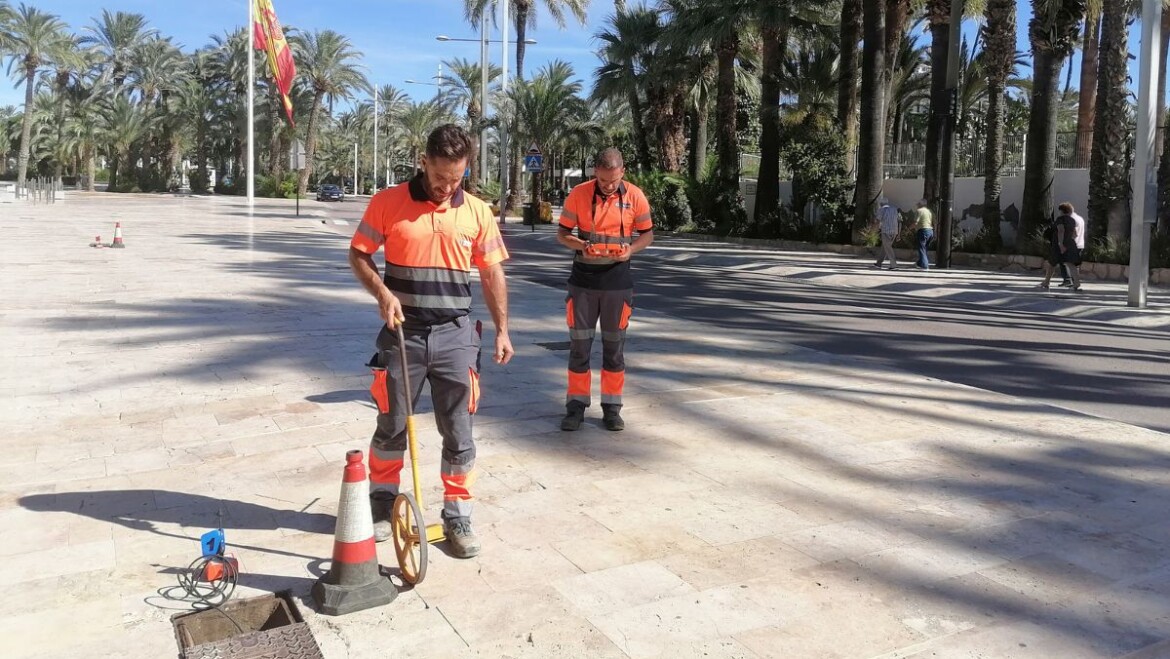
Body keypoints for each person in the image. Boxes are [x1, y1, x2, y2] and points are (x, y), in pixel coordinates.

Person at [348, 124, 514, 559]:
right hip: (402, 335)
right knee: (392, 424)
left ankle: (458, 515)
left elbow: (492, 271)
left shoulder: (477, 211)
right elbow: (359, 253)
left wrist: (502, 329)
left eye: (456, 178)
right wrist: (382, 293)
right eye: (440, 177)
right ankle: (382, 505)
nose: (446, 187)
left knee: (459, 430)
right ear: (423, 162)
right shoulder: (388, 202)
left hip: (456, 335)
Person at [556, 148, 654, 432]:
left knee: (614, 349)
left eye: (613, 181)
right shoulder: (579, 194)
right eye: (603, 180)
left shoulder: (635, 195)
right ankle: (575, 408)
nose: (608, 186)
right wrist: (581, 245)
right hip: (583, 283)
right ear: (595, 173)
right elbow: (562, 234)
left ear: (622, 171)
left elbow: (647, 233)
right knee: (579, 348)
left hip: (617, 284)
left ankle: (612, 409)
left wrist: (630, 250)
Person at [1039, 206, 1082, 292]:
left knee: (1052, 263)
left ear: (1062, 211)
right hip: (1070, 244)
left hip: (1059, 245)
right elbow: (1075, 234)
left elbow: (1061, 230)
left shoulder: (1060, 219)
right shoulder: (1072, 220)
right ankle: (1076, 283)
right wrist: (1069, 239)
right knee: (1071, 264)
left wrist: (1061, 243)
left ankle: (1046, 282)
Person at [1058, 202, 1085, 287]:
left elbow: (1074, 233)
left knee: (1066, 262)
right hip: (1080, 243)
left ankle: (1069, 280)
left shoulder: (1070, 219)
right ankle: (1074, 281)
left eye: (1060, 211)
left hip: (1072, 244)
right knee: (1073, 264)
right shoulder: (1079, 218)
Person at [873, 198, 900, 270]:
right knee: (885, 247)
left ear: (881, 204)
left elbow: (878, 220)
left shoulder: (881, 209)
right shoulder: (894, 209)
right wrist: (898, 233)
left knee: (888, 248)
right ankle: (879, 263)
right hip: (894, 231)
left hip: (886, 231)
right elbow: (898, 220)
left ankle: (893, 265)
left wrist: (875, 230)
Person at [914, 199, 934, 270]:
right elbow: (933, 221)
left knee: (921, 249)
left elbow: (916, 222)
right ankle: (920, 263)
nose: (917, 205)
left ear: (920, 204)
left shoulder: (919, 211)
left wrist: (909, 228)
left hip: (923, 231)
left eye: (918, 204)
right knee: (924, 249)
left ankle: (925, 266)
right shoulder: (929, 211)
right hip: (930, 231)